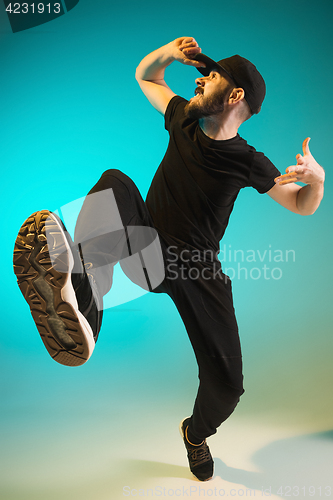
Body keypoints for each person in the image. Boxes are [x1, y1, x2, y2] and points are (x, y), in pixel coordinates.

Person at [13, 37, 325, 482]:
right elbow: (147, 75)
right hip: (149, 248)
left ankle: (195, 435)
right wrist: (168, 52)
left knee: (228, 386)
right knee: (115, 183)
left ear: (235, 96)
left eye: (211, 76)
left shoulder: (248, 161)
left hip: (198, 271)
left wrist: (318, 180)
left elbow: (301, 204)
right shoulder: (182, 118)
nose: (199, 78)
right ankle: (82, 306)